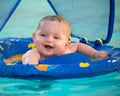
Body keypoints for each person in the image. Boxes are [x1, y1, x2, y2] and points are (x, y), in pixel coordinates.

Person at [22, 15, 108, 65]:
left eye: (56, 37)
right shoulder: (35, 54)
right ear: (34, 37)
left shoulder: (67, 50)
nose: (49, 40)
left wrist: (94, 54)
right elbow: (30, 65)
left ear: (66, 44)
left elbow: (78, 45)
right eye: (43, 35)